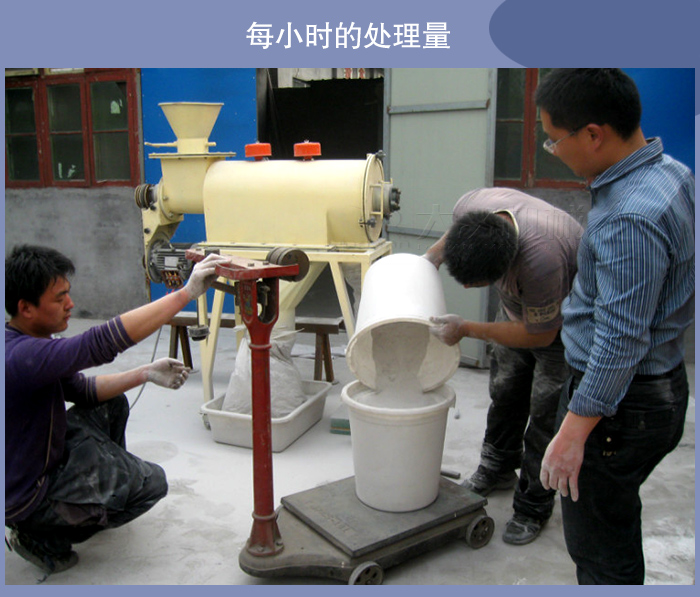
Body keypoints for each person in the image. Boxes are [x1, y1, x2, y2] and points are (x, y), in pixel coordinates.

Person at [535, 69, 694, 584]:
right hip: (658, 386)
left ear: (593, 134)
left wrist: (573, 432)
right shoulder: (672, 173)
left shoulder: (630, 216)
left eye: (554, 140)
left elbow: (621, 340)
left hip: (621, 409)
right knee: (614, 518)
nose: (552, 151)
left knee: (600, 549)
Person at [5, 245, 228, 576]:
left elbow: (83, 392)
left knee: (111, 403)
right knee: (151, 484)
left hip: (40, 455)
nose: (70, 304)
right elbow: (100, 343)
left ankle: (98, 495)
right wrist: (186, 294)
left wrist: (144, 373)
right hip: (28, 493)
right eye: (59, 298)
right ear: (26, 308)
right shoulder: (22, 357)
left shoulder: (31, 345)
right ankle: (40, 535)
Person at [424, 187, 582, 545]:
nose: (467, 287)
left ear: (505, 267)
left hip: (560, 327)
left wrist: (467, 329)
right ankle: (497, 468)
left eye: (476, 283)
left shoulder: (541, 260)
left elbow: (540, 335)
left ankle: (533, 505)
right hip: (517, 309)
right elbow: (454, 234)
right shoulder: (470, 206)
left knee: (545, 414)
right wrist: (431, 258)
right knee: (505, 391)